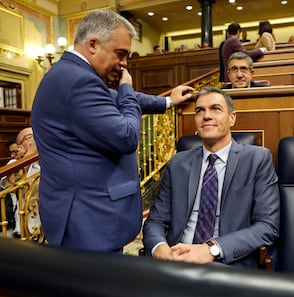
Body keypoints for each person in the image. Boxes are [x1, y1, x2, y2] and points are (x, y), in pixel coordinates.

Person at [31, 9, 194, 252]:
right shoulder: (79, 81)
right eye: (121, 54)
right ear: (93, 44)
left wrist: (168, 101)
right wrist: (127, 88)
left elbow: (115, 97)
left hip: (81, 214)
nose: (125, 63)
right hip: (89, 220)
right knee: (96, 287)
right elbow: (126, 136)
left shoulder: (69, 74)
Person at [143, 87, 280, 269]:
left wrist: (212, 249)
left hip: (227, 263)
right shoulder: (178, 163)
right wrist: (162, 250)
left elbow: (267, 226)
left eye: (215, 108)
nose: (206, 116)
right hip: (177, 259)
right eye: (200, 110)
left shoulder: (257, 159)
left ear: (232, 118)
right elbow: (155, 221)